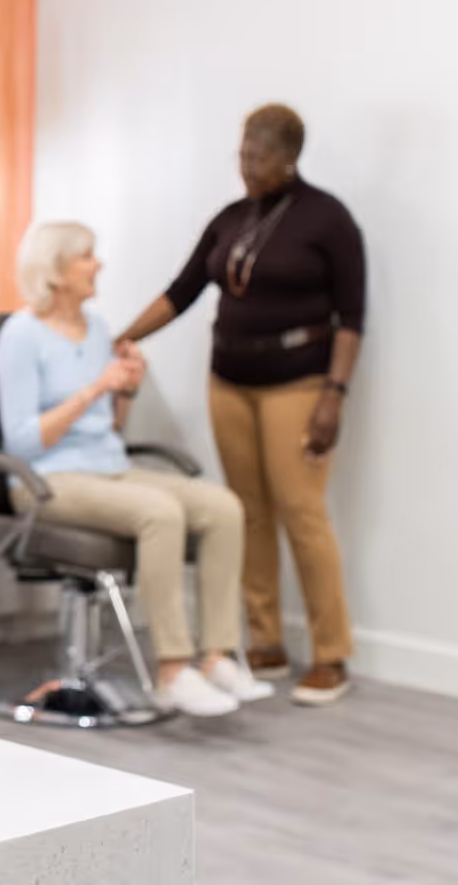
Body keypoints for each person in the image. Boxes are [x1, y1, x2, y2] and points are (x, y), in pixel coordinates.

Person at [117, 104, 364, 706]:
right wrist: (121, 338)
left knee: (301, 510)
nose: (248, 168)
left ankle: (331, 654)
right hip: (229, 380)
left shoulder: (327, 219)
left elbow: (352, 318)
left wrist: (334, 395)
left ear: (289, 158)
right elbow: (182, 291)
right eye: (242, 155)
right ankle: (265, 641)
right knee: (246, 511)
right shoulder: (231, 219)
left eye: (259, 158)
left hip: (299, 383)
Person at [0, 220, 273, 718]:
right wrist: (95, 388)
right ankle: (171, 671)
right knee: (159, 512)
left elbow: (109, 430)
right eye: (86, 256)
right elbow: (21, 440)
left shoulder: (97, 328)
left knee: (222, 506)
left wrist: (125, 391)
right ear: (54, 270)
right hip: (45, 478)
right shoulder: (20, 336)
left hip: (106, 466)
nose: (97, 264)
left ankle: (215, 657)